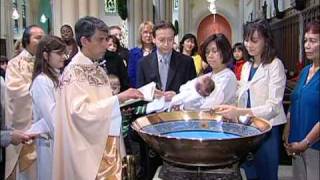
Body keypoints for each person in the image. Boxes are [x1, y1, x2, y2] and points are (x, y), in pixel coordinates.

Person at [52, 16, 143, 180]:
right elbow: (79, 113)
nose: (106, 44)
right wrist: (118, 100)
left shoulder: (97, 68)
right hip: (88, 152)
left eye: (107, 38)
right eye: (100, 39)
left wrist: (125, 101)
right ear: (85, 41)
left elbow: (101, 103)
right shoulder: (73, 73)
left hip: (106, 143)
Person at [215, 20, 287, 180]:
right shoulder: (247, 66)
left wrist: (239, 111)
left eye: (254, 40)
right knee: (250, 172)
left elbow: (273, 107)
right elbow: (242, 95)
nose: (249, 45)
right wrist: (227, 106)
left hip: (267, 129)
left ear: (266, 40)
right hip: (247, 128)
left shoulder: (275, 65)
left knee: (266, 173)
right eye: (247, 40)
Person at [136, 20, 197, 179]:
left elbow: (194, 93)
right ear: (153, 39)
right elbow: (139, 95)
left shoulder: (186, 62)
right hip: (153, 121)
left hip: (178, 120)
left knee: (177, 165)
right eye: (162, 40)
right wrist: (150, 94)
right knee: (152, 165)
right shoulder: (143, 63)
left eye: (170, 39)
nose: (166, 44)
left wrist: (177, 97)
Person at [5, 24, 44, 179]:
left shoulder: (47, 63)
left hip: (46, 124)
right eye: (38, 38)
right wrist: (40, 88)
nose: (42, 41)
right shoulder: (15, 64)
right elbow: (14, 91)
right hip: (26, 123)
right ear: (27, 40)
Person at [283, 20, 320, 180]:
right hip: (296, 142)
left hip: (314, 146)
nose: (307, 45)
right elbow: (295, 101)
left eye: (313, 41)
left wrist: (305, 143)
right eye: (305, 40)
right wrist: (287, 130)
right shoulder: (305, 71)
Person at [29, 35, 67, 180]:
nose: (63, 57)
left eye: (64, 53)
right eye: (59, 53)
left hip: (60, 140)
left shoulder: (58, 77)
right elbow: (52, 119)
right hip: (50, 143)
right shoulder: (42, 81)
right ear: (45, 55)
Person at [128, 21, 155, 88]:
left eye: (151, 33)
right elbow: (131, 74)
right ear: (141, 34)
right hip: (139, 88)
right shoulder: (133, 52)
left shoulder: (158, 51)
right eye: (145, 32)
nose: (148, 35)